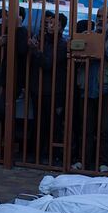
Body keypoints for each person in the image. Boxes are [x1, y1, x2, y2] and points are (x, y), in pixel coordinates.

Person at [72, 7, 108, 173]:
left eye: (104, 17)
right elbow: (75, 56)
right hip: (87, 88)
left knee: (105, 128)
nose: (100, 20)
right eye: (98, 16)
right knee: (85, 127)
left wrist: (103, 49)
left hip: (107, 89)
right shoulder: (87, 35)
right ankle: (83, 161)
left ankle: (103, 162)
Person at [27, 11, 68, 163]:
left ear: (61, 28)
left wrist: (35, 51)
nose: (50, 25)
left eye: (55, 23)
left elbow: (48, 63)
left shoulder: (62, 45)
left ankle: (54, 155)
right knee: (39, 122)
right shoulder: (41, 40)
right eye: (50, 22)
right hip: (38, 89)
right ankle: (38, 153)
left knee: (54, 124)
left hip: (54, 91)